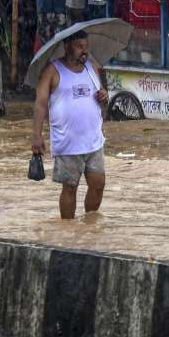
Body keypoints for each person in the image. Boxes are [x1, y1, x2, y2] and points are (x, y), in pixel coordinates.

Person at [31, 30, 109, 220]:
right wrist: (36, 135)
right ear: (67, 48)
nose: (85, 51)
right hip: (68, 143)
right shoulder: (52, 71)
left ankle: (89, 223)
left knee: (98, 184)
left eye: (86, 47)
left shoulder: (92, 68)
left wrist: (105, 96)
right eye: (79, 47)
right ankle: (67, 229)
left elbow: (103, 100)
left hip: (93, 140)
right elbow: (40, 104)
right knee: (70, 187)